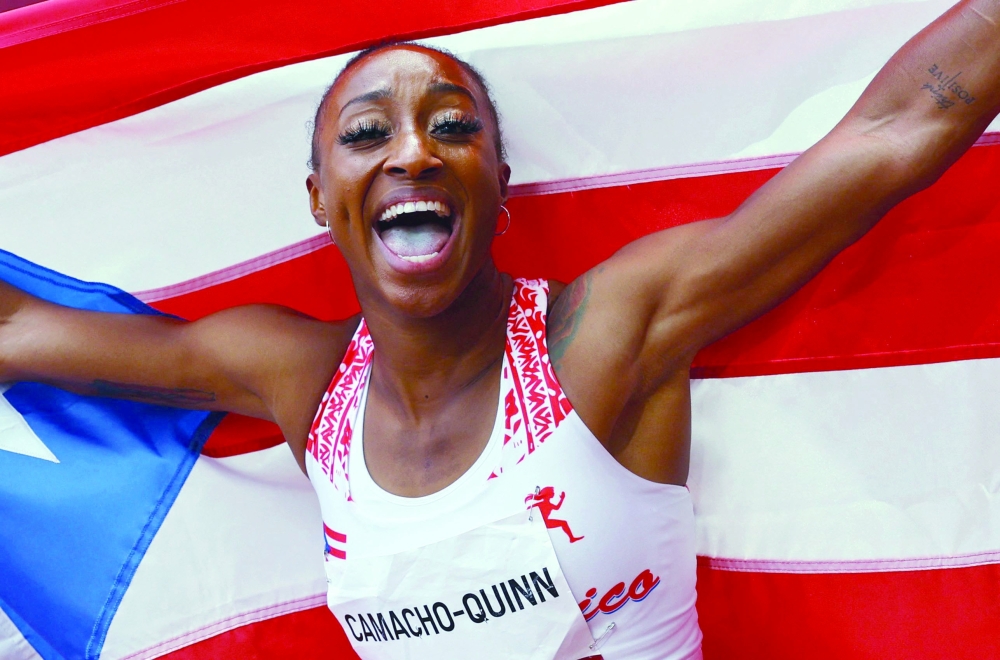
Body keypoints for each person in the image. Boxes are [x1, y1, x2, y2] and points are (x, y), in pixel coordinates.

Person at [1, 0, 998, 656]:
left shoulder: (605, 334)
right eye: (367, 133)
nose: (413, 153)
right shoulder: (299, 380)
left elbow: (892, 133)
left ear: (498, 183)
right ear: (319, 199)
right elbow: (22, 331)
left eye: (452, 125)